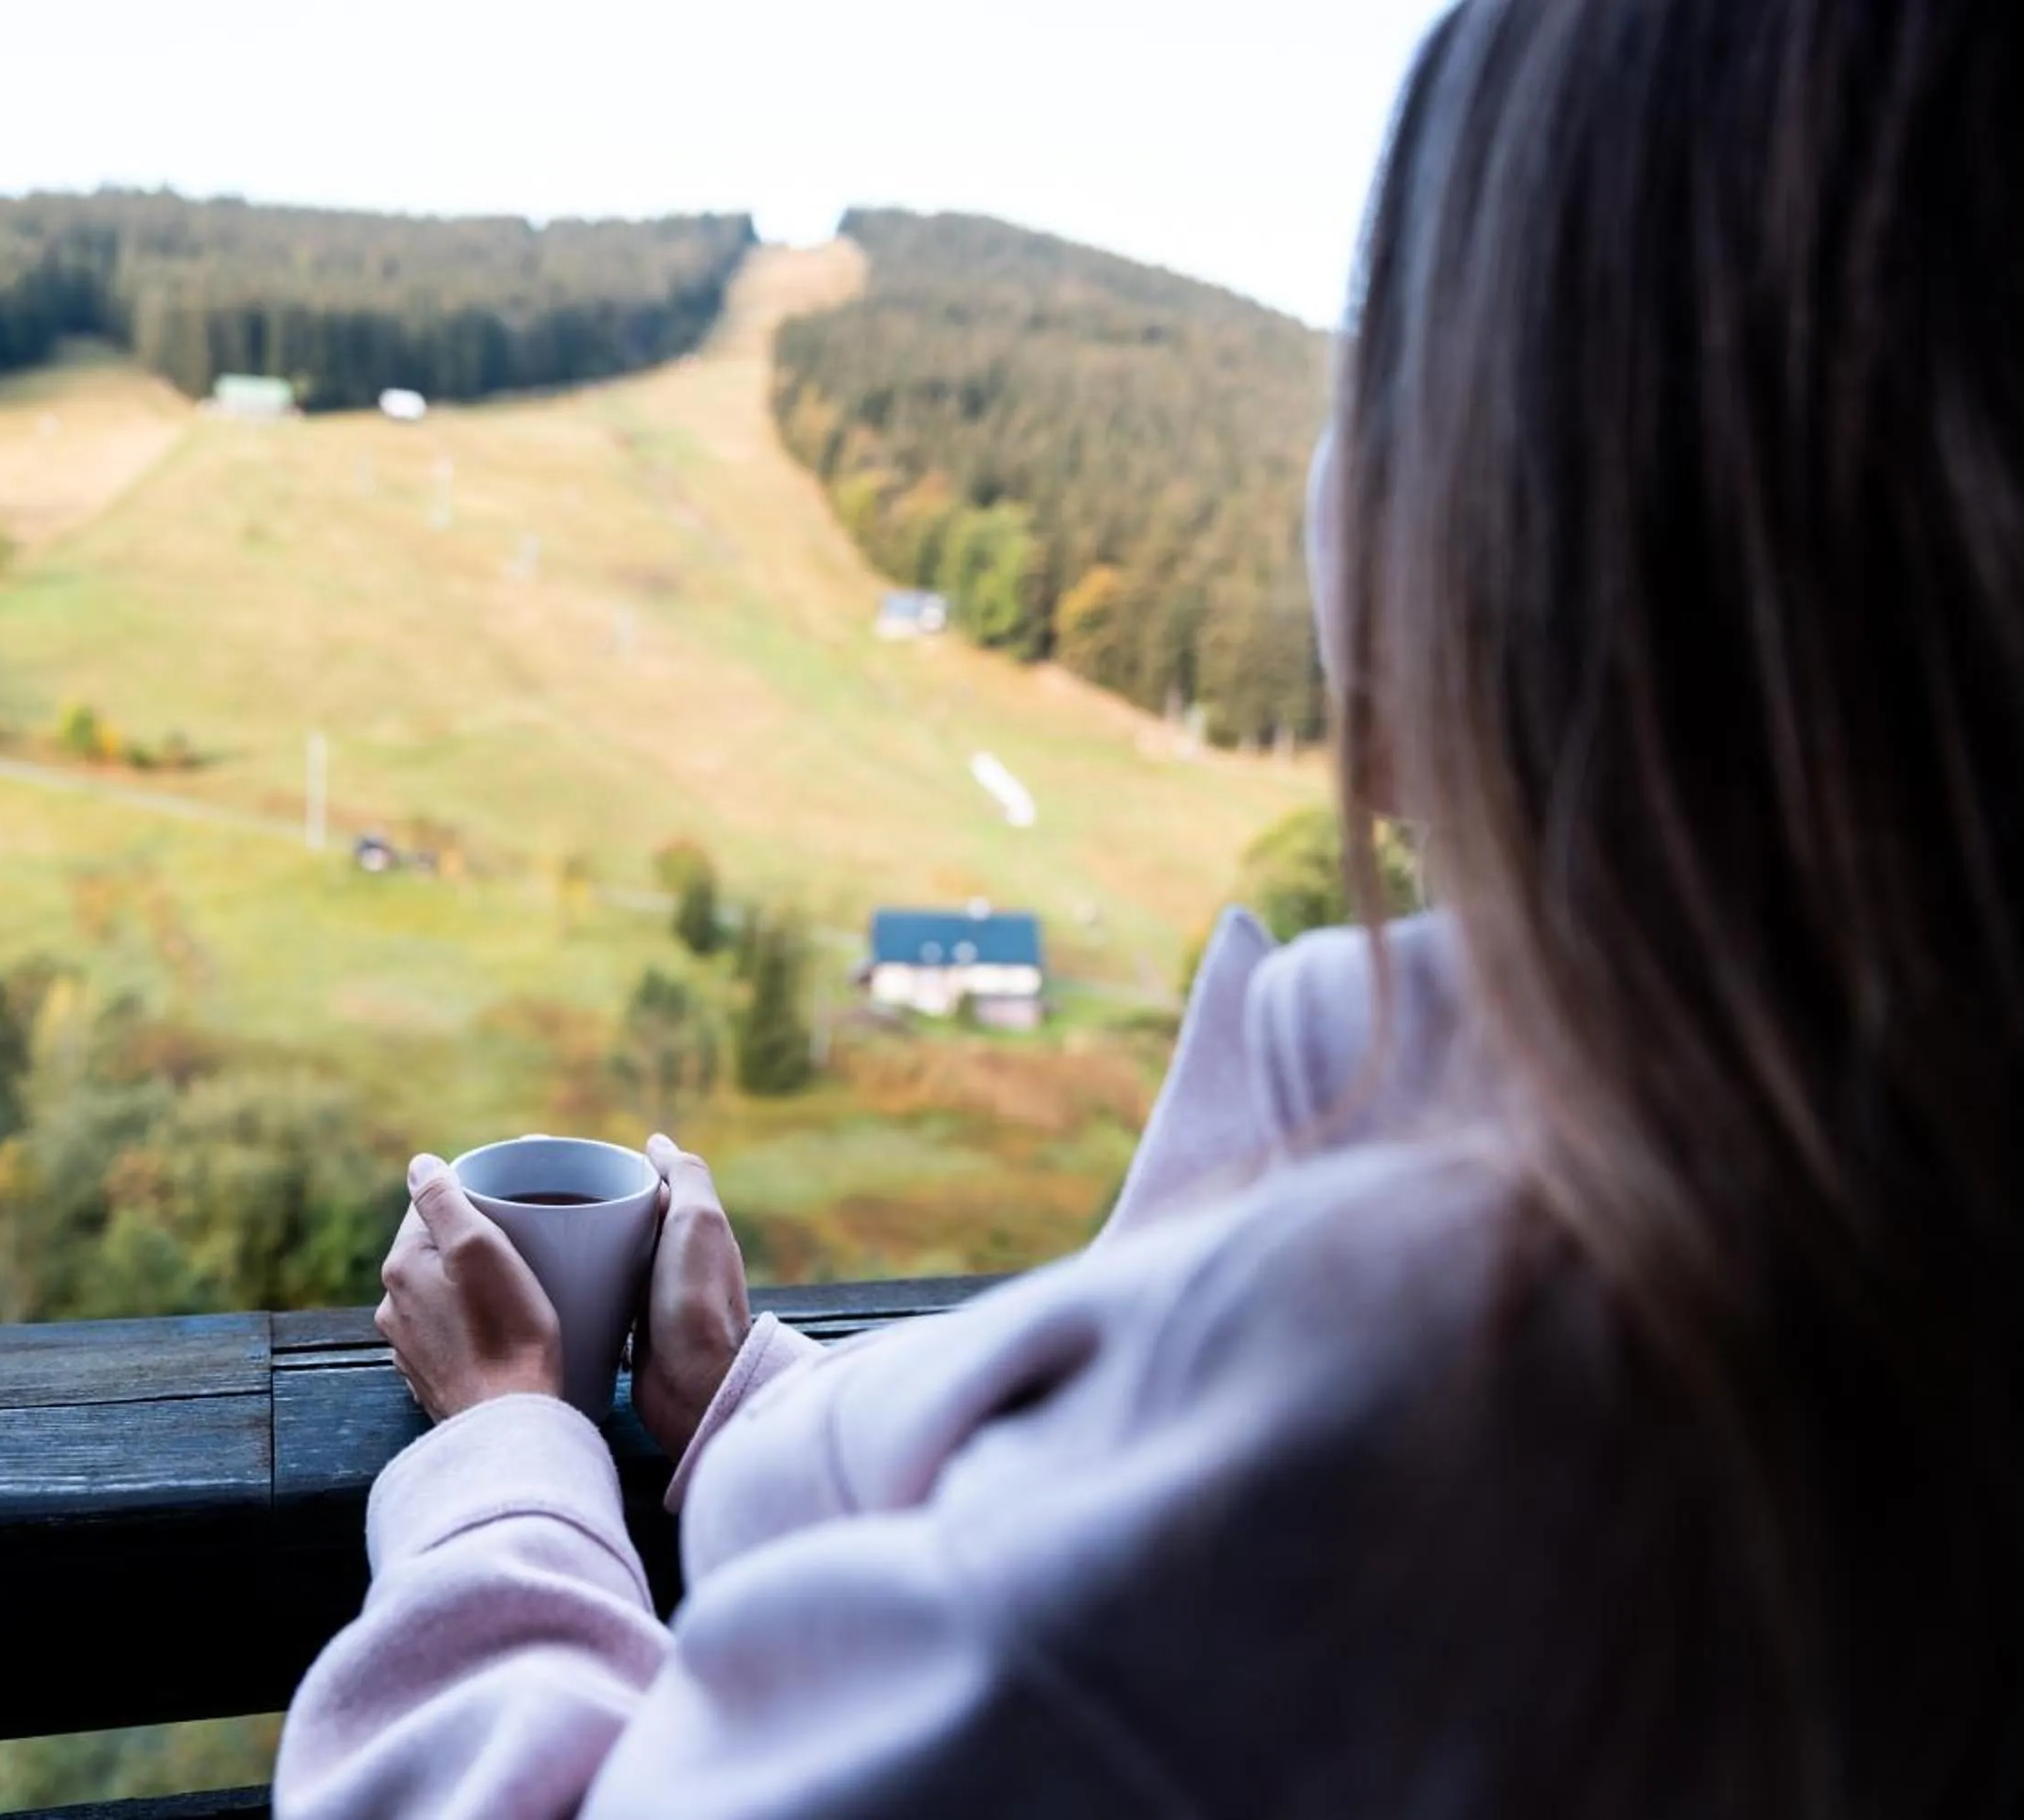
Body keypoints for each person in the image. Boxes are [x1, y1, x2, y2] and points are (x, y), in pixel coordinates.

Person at [276, 0, 2024, 1811]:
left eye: (1388, 353)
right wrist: (741, 1404)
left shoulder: (1413, 1378)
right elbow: (1053, 1574)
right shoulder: (1908, 1261)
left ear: (1505, 517)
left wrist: (506, 1450)